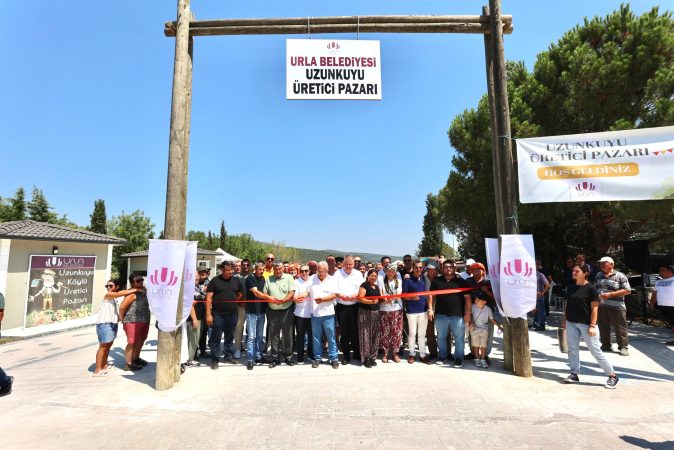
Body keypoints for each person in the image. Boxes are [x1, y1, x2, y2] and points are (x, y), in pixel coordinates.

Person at [561, 263, 619, 388]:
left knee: (595, 350)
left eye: (577, 271)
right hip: (571, 322)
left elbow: (595, 309)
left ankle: (612, 375)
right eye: (573, 270)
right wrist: (564, 321)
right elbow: (568, 305)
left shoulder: (592, 289)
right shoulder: (571, 287)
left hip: (587, 324)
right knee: (572, 349)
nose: (574, 272)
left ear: (585, 273)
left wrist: (592, 325)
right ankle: (574, 373)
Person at [429, 260, 471, 367]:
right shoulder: (437, 281)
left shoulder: (461, 282)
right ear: (442, 268)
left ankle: (459, 358)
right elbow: (431, 296)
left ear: (454, 268)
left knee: (459, 338)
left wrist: (468, 313)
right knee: (441, 337)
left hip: (457, 315)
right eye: (445, 266)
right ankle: (442, 356)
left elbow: (467, 298)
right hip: (440, 315)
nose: (448, 268)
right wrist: (430, 309)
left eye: (450, 266)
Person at [94, 279, 140, 376]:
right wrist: (137, 289)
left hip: (112, 323)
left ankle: (104, 365)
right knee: (103, 346)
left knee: (108, 346)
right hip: (104, 324)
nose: (108, 288)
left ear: (117, 286)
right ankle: (98, 370)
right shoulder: (109, 295)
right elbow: (122, 293)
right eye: (107, 286)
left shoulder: (114, 297)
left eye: (111, 286)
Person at [205, 262, 243, 370]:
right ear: (222, 270)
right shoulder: (214, 281)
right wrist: (208, 314)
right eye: (228, 270)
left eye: (231, 270)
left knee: (229, 336)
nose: (231, 272)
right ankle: (214, 359)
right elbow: (208, 298)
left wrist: (234, 301)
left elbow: (240, 294)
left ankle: (228, 356)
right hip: (218, 314)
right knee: (216, 337)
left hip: (232, 314)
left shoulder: (236, 281)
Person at [594, 256, 632, 356]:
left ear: (612, 264)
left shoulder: (620, 276)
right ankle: (606, 345)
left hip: (617, 307)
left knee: (620, 328)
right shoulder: (599, 275)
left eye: (604, 263)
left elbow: (627, 290)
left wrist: (610, 294)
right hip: (602, 306)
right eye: (601, 263)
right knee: (603, 327)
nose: (602, 265)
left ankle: (623, 347)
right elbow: (595, 288)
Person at [264, 261, 296, 368]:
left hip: (286, 310)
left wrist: (283, 300)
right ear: (273, 269)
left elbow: (292, 292)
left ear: (283, 269)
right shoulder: (269, 279)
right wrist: (269, 298)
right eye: (276, 269)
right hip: (272, 311)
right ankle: (275, 357)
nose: (278, 271)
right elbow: (265, 293)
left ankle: (288, 356)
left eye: (280, 269)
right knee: (274, 334)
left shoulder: (289, 277)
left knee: (288, 334)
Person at [309, 261, 340, 369]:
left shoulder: (332, 280)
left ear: (326, 270)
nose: (319, 273)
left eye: (321, 271)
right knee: (316, 337)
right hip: (315, 314)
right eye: (318, 270)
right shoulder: (312, 278)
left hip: (328, 313)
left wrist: (322, 300)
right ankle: (317, 358)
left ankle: (334, 358)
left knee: (331, 337)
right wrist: (298, 297)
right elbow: (308, 292)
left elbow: (335, 295)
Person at [334, 255, 364, 364]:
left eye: (350, 264)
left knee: (355, 331)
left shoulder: (358, 274)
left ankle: (357, 354)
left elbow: (361, 288)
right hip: (342, 306)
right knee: (344, 332)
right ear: (343, 264)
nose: (348, 266)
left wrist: (355, 295)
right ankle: (346, 356)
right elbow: (334, 288)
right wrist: (340, 295)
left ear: (353, 264)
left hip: (354, 306)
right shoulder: (337, 274)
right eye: (346, 264)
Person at [119, 274, 151, 371]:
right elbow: (122, 308)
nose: (141, 282)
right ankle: (129, 363)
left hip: (144, 319)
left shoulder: (144, 290)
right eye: (138, 281)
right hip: (132, 320)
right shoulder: (131, 294)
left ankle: (136, 358)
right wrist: (122, 319)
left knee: (141, 340)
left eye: (141, 280)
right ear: (132, 283)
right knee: (132, 342)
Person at [245, 262, 272, 370]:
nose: (262, 271)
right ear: (255, 269)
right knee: (251, 337)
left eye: (263, 269)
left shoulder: (263, 279)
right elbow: (256, 293)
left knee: (260, 336)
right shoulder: (250, 278)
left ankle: (259, 356)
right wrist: (269, 298)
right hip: (252, 312)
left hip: (261, 311)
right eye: (260, 269)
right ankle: (250, 359)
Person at [403, 261, 431, 364]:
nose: (418, 269)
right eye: (416, 267)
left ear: (422, 268)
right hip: (411, 311)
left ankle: (423, 355)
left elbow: (429, 293)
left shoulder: (424, 278)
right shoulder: (407, 279)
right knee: (412, 334)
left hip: (423, 310)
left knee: (422, 334)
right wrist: (411, 297)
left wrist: (429, 309)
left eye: (420, 267)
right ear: (413, 268)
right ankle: (412, 354)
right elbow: (403, 295)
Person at [378, 263, 403, 363]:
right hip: (384, 309)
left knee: (396, 332)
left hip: (396, 309)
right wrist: (385, 299)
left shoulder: (398, 280)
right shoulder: (381, 280)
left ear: (395, 272)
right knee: (385, 332)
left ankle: (395, 353)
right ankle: (385, 352)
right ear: (386, 271)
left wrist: (392, 298)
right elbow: (381, 293)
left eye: (393, 271)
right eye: (389, 271)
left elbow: (399, 293)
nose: (391, 273)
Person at [357, 269, 381, 368]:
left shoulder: (377, 287)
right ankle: (366, 358)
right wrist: (371, 302)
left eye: (375, 276)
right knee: (365, 334)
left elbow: (379, 299)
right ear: (368, 276)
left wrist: (386, 300)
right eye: (372, 275)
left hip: (376, 313)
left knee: (375, 335)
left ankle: (372, 357)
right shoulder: (364, 285)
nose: (373, 277)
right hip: (365, 312)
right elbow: (360, 298)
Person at [469, 296, 502, 368]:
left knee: (483, 345)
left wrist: (499, 326)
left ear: (484, 302)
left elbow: (492, 319)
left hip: (484, 329)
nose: (476, 301)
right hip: (474, 328)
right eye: (476, 299)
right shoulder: (472, 306)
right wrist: (471, 321)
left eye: (478, 300)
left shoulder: (488, 309)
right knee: (476, 345)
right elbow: (470, 314)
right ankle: (477, 359)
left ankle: (483, 359)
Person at [649, 264, 674, 346]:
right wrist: (651, 303)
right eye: (659, 270)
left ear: (670, 271)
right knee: (672, 323)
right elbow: (655, 293)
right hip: (662, 306)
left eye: (662, 270)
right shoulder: (658, 282)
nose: (660, 272)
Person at [294, 264, 314, 363]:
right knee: (300, 336)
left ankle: (310, 354)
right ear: (299, 272)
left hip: (312, 313)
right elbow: (296, 297)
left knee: (311, 336)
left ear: (309, 271)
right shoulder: (296, 281)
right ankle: (300, 356)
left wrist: (306, 293)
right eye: (302, 271)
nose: (304, 273)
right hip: (300, 314)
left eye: (306, 271)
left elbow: (313, 292)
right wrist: (307, 293)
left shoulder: (313, 280)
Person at [233, 259, 252, 360]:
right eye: (243, 265)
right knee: (239, 328)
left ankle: (251, 349)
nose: (245, 266)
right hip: (240, 306)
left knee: (251, 330)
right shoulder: (236, 278)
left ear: (250, 266)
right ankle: (237, 348)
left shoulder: (253, 277)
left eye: (247, 265)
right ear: (241, 266)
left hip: (252, 307)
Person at [424, 262, 439, 359]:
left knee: (443, 332)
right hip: (426, 308)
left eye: (434, 270)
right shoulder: (422, 278)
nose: (432, 271)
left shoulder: (441, 279)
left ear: (437, 270)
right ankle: (433, 352)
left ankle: (446, 353)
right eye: (430, 269)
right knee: (429, 332)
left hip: (439, 308)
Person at [195, 269, 210, 358]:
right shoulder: (194, 283)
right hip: (196, 312)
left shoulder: (209, 282)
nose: (203, 274)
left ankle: (203, 351)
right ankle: (194, 353)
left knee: (204, 332)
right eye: (201, 272)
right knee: (196, 333)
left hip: (205, 311)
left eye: (205, 272)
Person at [533, 266, 551, 331]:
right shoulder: (530, 275)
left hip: (539, 296)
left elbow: (547, 285)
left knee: (541, 311)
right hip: (532, 297)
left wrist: (542, 293)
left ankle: (542, 325)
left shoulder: (540, 275)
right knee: (535, 311)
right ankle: (535, 323)